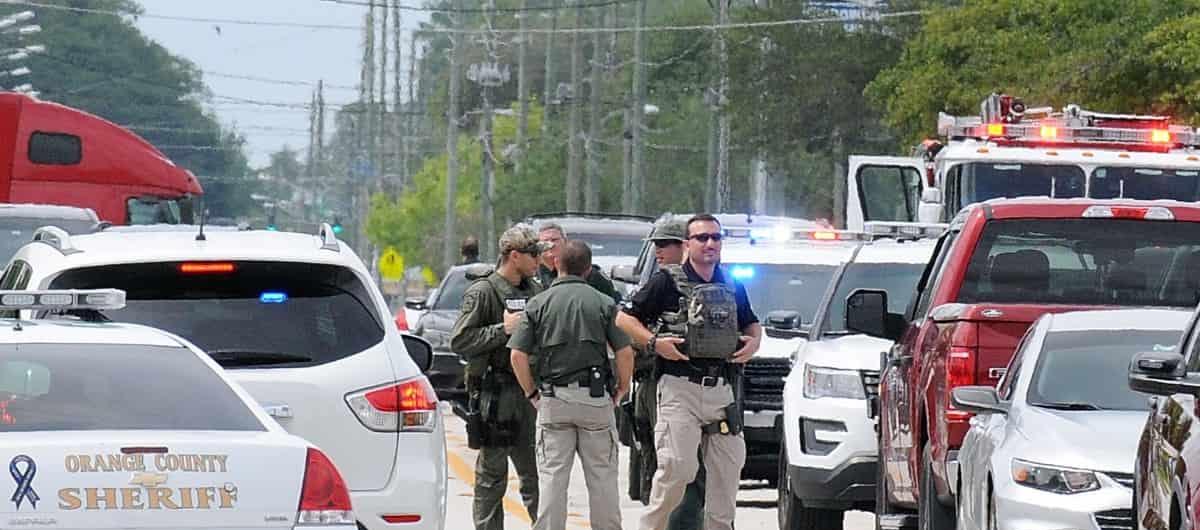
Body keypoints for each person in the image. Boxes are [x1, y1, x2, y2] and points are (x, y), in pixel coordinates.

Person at [616, 214, 763, 530]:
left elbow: (751, 321)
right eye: (702, 238)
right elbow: (625, 320)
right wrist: (655, 343)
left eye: (715, 237)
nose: (710, 243)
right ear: (687, 244)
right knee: (677, 469)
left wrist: (753, 344)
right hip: (679, 387)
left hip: (721, 390)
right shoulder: (666, 281)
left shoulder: (731, 283)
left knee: (726, 472)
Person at [509, 240, 635, 530]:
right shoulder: (603, 303)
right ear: (588, 269)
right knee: (602, 478)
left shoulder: (538, 303)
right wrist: (622, 388)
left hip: (553, 400)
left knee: (553, 478)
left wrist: (532, 393)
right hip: (595, 399)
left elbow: (517, 354)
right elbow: (625, 352)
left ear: (556, 266)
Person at [451, 223, 549, 530]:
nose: (538, 260)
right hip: (496, 395)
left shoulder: (536, 291)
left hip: (529, 392)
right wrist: (502, 330)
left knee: (537, 474)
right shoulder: (484, 292)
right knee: (492, 477)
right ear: (514, 255)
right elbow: (461, 340)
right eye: (533, 254)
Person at [535, 222, 623, 303]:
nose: (550, 244)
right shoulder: (531, 271)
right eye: (545, 241)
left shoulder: (586, 270)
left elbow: (615, 304)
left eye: (554, 240)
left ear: (565, 241)